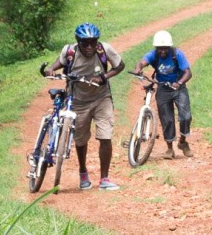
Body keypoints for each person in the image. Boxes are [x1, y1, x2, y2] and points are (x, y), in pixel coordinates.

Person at [42, 22, 125, 191]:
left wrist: (104, 77)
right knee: (80, 139)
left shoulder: (104, 49)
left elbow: (120, 65)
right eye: (84, 43)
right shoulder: (69, 51)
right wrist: (51, 69)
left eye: (93, 42)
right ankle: (83, 172)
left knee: (105, 135)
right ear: (77, 42)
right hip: (78, 101)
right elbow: (60, 61)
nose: (89, 47)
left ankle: (104, 178)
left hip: (102, 98)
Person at [133, 30, 194, 159]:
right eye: (160, 49)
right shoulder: (153, 55)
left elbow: (188, 72)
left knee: (186, 116)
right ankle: (169, 149)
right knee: (167, 120)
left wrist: (179, 82)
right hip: (163, 89)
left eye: (165, 48)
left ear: (169, 47)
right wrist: (138, 68)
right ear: (156, 48)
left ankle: (183, 142)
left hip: (179, 88)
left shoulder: (177, 54)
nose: (162, 51)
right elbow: (142, 62)